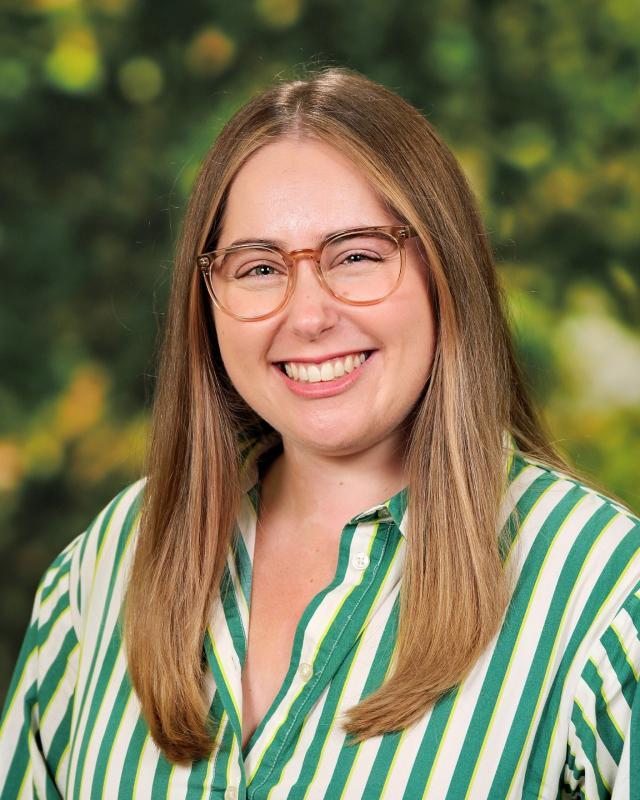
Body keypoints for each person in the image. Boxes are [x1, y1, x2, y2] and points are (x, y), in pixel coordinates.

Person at [1, 67, 638, 800]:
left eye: (358, 255)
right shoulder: (106, 564)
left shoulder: (609, 598)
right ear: (206, 300)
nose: (307, 316)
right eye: (260, 267)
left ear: (445, 270)